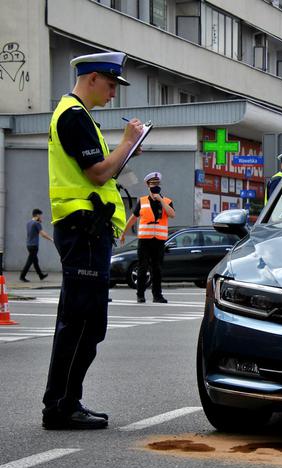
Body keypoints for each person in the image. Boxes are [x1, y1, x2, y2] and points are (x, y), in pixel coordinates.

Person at [42, 51, 143, 430]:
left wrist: (126, 149)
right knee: (85, 322)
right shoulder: (73, 116)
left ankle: (63, 402)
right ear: (93, 79)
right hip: (83, 230)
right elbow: (100, 173)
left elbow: (106, 172)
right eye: (112, 83)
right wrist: (128, 141)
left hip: (87, 229)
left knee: (78, 321)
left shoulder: (80, 117)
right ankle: (62, 406)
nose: (115, 93)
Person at [120, 171, 175, 303]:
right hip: (145, 240)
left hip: (159, 241)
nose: (155, 186)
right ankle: (140, 295)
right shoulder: (142, 201)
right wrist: (123, 233)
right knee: (142, 267)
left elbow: (172, 214)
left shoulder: (167, 201)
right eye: (152, 184)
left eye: (157, 183)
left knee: (157, 269)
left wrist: (160, 199)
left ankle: (157, 295)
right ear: (147, 185)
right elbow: (133, 218)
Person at [20, 208, 53, 282]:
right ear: (37, 215)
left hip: (29, 245)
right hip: (34, 245)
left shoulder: (29, 223)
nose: (41, 217)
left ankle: (41, 275)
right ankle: (22, 276)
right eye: (40, 215)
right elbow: (43, 234)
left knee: (35, 261)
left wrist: (39, 222)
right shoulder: (37, 224)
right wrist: (51, 239)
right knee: (30, 261)